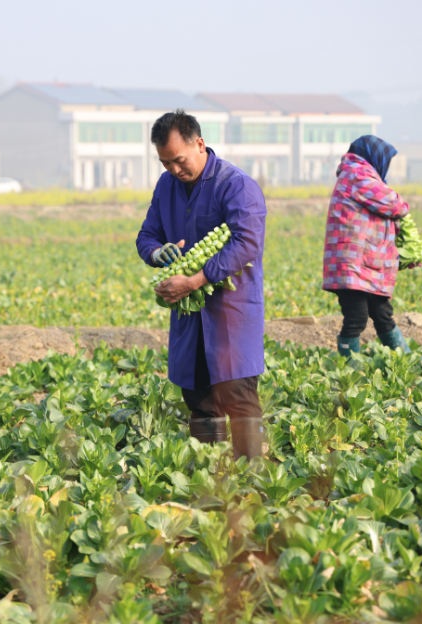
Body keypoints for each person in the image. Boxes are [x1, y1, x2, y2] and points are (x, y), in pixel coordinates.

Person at [136, 110, 267, 460]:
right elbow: (147, 234)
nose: (174, 171)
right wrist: (156, 252)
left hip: (230, 314)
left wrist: (195, 280)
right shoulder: (167, 187)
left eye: (179, 161)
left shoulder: (236, 185)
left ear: (199, 144)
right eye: (166, 163)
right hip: (189, 318)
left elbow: (247, 243)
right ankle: (212, 479)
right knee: (198, 399)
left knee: (238, 398)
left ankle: (252, 482)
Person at [322, 135, 411, 356]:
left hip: (363, 263)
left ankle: (407, 361)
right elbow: (396, 205)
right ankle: (348, 372)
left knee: (382, 313)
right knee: (356, 317)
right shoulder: (357, 174)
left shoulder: (356, 173)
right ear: (374, 157)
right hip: (352, 265)